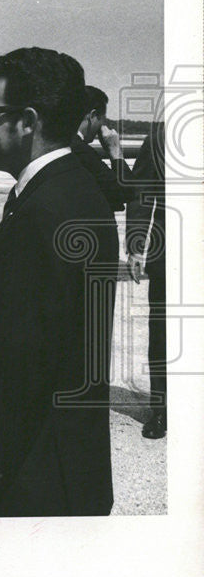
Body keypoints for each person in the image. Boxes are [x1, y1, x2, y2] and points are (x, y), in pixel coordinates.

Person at [0, 47, 118, 517]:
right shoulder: (75, 191)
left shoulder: (43, 213)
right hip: (62, 471)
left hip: (27, 487)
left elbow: (17, 374)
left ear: (28, 121)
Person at [125, 122, 166, 438]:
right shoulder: (161, 133)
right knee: (164, 332)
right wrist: (137, 246)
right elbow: (142, 194)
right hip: (173, 252)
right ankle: (162, 410)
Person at [70, 85, 133, 210]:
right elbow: (125, 191)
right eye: (102, 121)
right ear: (93, 115)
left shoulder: (60, 144)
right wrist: (115, 152)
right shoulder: (81, 151)